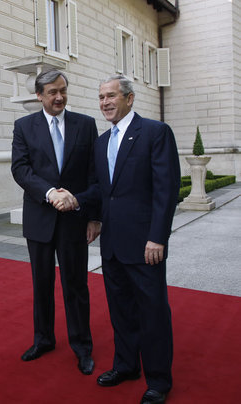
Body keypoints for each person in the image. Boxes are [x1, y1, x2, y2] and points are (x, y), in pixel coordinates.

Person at [75, 75, 180, 404]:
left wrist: (158, 238)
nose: (104, 102)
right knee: (121, 311)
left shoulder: (155, 133)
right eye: (100, 97)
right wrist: (81, 204)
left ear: (130, 98)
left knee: (153, 313)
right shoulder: (101, 143)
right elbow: (103, 192)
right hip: (113, 246)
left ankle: (159, 380)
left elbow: (166, 190)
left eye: (111, 96)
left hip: (146, 245)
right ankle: (126, 366)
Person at [11, 70, 100, 375]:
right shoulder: (24, 126)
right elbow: (21, 169)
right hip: (40, 217)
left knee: (76, 285)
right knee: (42, 284)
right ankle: (44, 339)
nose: (59, 96)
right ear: (39, 96)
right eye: (52, 92)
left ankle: (82, 347)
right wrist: (50, 193)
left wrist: (94, 215)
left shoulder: (86, 125)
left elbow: (94, 173)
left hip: (75, 220)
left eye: (63, 90)